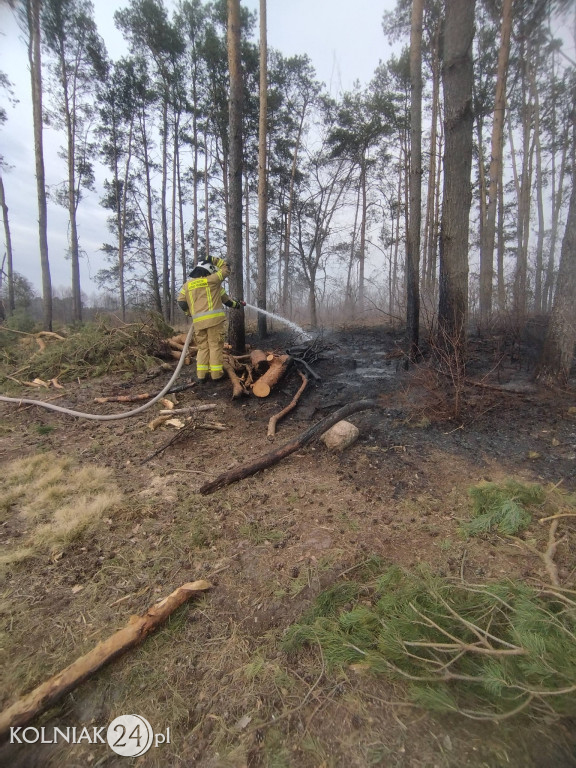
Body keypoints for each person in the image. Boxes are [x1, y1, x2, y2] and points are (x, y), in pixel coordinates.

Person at [177, 256, 245, 382]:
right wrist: (213, 259)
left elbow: (181, 302)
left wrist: (189, 313)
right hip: (214, 322)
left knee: (203, 348)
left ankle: (201, 376)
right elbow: (226, 270)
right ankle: (216, 375)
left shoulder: (187, 285)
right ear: (209, 271)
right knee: (215, 346)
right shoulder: (213, 281)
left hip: (198, 323)